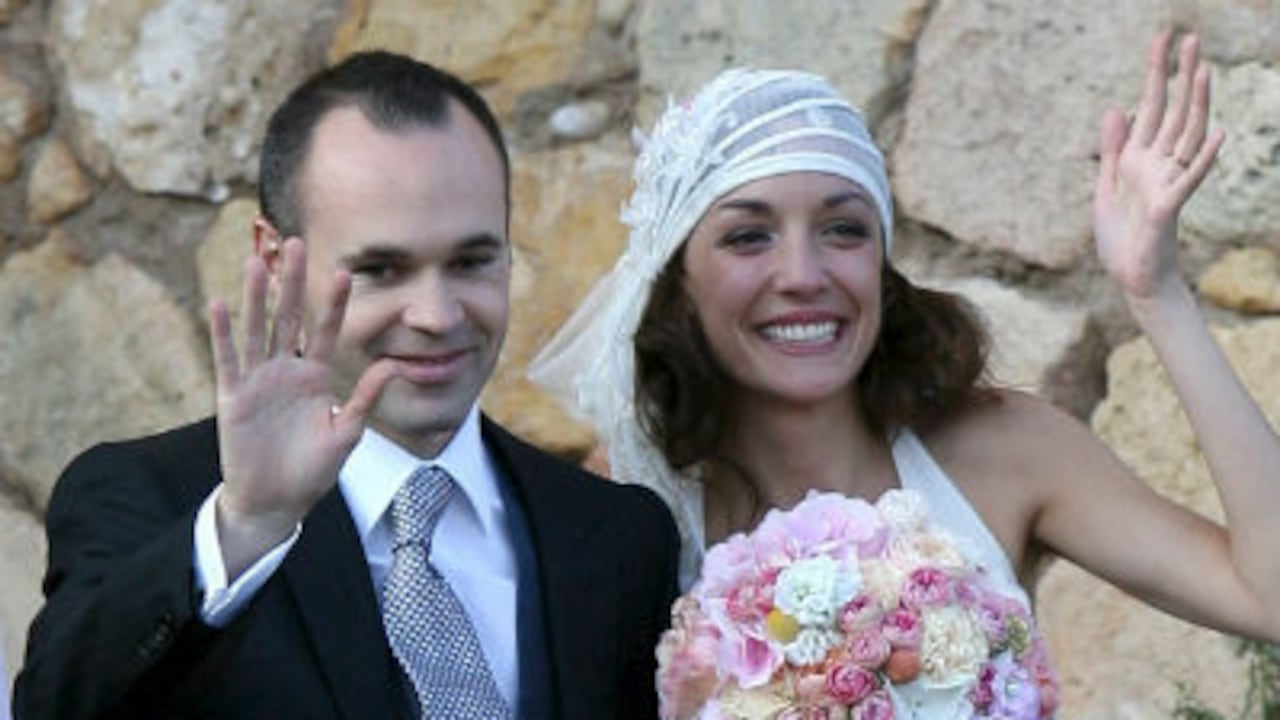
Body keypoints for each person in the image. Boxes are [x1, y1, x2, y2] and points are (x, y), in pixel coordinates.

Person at [530, 29, 1280, 713]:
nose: (803, 273)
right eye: (748, 236)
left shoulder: (1005, 450)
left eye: (844, 229)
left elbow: (1268, 600)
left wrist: (1159, 295)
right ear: (677, 281)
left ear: (881, 263)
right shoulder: (630, 504)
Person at [15, 50, 679, 720]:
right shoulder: (150, 501)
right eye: (382, 270)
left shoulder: (621, 537)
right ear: (276, 263)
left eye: (472, 261)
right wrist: (247, 528)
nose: (437, 316)